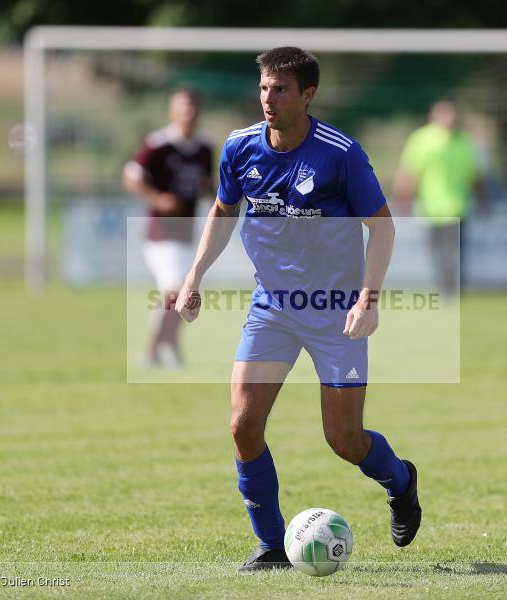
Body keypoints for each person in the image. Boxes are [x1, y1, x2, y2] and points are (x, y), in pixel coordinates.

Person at [173, 47, 421, 572]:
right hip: (273, 309)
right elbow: (223, 209)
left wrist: (368, 299)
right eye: (264, 87)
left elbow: (382, 226)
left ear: (307, 95)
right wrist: (194, 273)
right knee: (243, 424)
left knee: (344, 440)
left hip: (336, 313)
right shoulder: (240, 148)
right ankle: (269, 546)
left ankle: (400, 480)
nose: (269, 98)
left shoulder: (340, 153)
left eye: (281, 89)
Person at [122, 88, 213, 368]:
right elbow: (131, 176)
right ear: (172, 111)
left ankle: (165, 348)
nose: (189, 112)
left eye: (193, 106)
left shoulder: (204, 148)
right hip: (160, 234)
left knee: (182, 295)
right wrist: (156, 198)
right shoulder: (158, 144)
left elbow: (207, 185)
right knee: (175, 290)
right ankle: (155, 351)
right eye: (183, 107)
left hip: (187, 233)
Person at [393, 101, 478, 297]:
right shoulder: (422, 139)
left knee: (454, 254)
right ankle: (447, 290)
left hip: (458, 207)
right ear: (434, 117)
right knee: (440, 254)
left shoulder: (462, 141)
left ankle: (453, 291)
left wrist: (482, 197)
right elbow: (410, 171)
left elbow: (472, 174)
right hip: (431, 208)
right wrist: (403, 197)